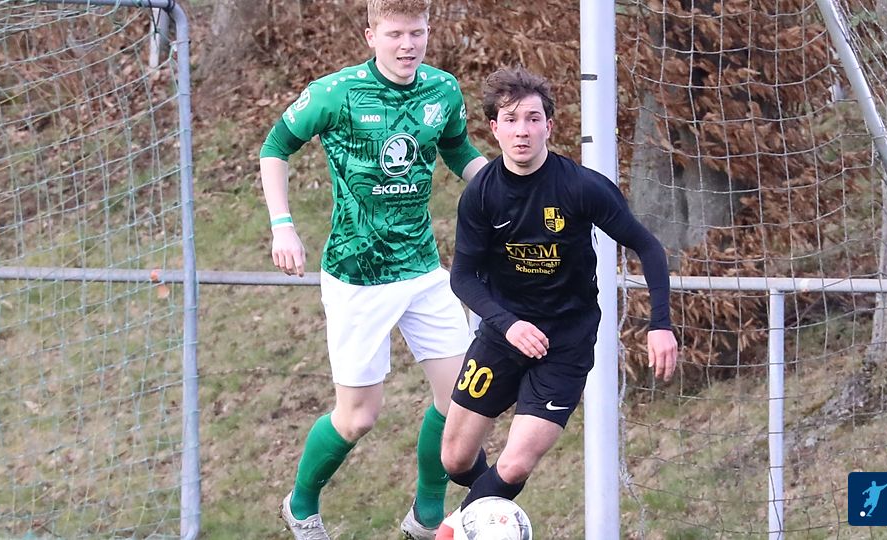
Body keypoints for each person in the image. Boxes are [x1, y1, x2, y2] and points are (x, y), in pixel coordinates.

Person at [258, 0, 488, 538]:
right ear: (371, 36)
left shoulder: (443, 89)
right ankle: (301, 504)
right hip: (357, 274)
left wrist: (512, 187)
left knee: (460, 396)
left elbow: (458, 151)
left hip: (423, 269)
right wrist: (282, 225)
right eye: (395, 34)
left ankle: (426, 515)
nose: (408, 45)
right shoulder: (336, 93)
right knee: (358, 416)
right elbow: (275, 146)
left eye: (417, 33)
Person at [435, 66, 678, 537]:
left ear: (549, 125)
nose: (522, 131)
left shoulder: (580, 187)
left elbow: (647, 247)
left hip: (565, 344)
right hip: (503, 335)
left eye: (532, 119)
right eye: (511, 120)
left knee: (516, 463)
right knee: (455, 458)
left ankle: (457, 529)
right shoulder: (481, 194)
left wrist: (660, 324)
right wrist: (508, 324)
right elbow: (462, 276)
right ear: (494, 128)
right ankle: (487, 510)